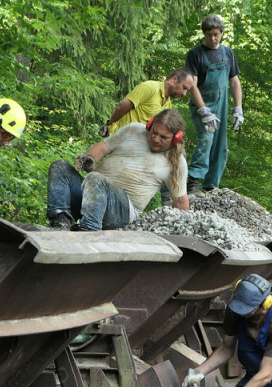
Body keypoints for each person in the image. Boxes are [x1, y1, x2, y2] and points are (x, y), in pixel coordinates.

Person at [46, 108, 189, 231]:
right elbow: (101, 148)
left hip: (122, 213)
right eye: (154, 132)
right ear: (150, 125)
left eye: (163, 137)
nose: (156, 139)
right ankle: (61, 222)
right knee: (60, 167)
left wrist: (185, 229)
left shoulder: (176, 163)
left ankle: (89, 229)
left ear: (176, 138)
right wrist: (90, 158)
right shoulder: (133, 129)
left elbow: (180, 201)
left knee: (96, 179)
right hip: (91, 196)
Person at [185, 14, 243, 194]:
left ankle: (211, 186)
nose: (213, 38)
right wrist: (203, 110)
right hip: (202, 104)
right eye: (209, 35)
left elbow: (234, 81)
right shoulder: (195, 54)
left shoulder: (227, 53)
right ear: (204, 34)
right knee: (206, 140)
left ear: (222, 33)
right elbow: (192, 84)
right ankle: (192, 181)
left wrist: (238, 108)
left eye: (216, 34)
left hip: (222, 105)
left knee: (220, 146)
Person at [98, 69, 195, 137]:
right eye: (184, 88)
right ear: (174, 80)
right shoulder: (150, 87)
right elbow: (122, 106)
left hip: (137, 143)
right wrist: (110, 124)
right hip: (120, 137)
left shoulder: (168, 105)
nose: (184, 93)